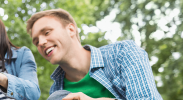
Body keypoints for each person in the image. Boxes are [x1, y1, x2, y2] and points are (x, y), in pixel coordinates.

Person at [26, 9, 162, 100]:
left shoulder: (123, 54)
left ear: (71, 29)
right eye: (36, 41)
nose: (41, 43)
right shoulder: (57, 90)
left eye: (47, 32)